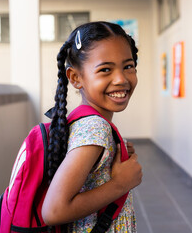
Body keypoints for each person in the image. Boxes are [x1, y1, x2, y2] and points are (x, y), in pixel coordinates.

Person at [42, 21, 143, 232]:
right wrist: (121, 183)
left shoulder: (83, 121)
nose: (121, 79)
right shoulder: (95, 129)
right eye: (105, 70)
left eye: (128, 66)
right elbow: (54, 211)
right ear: (76, 78)